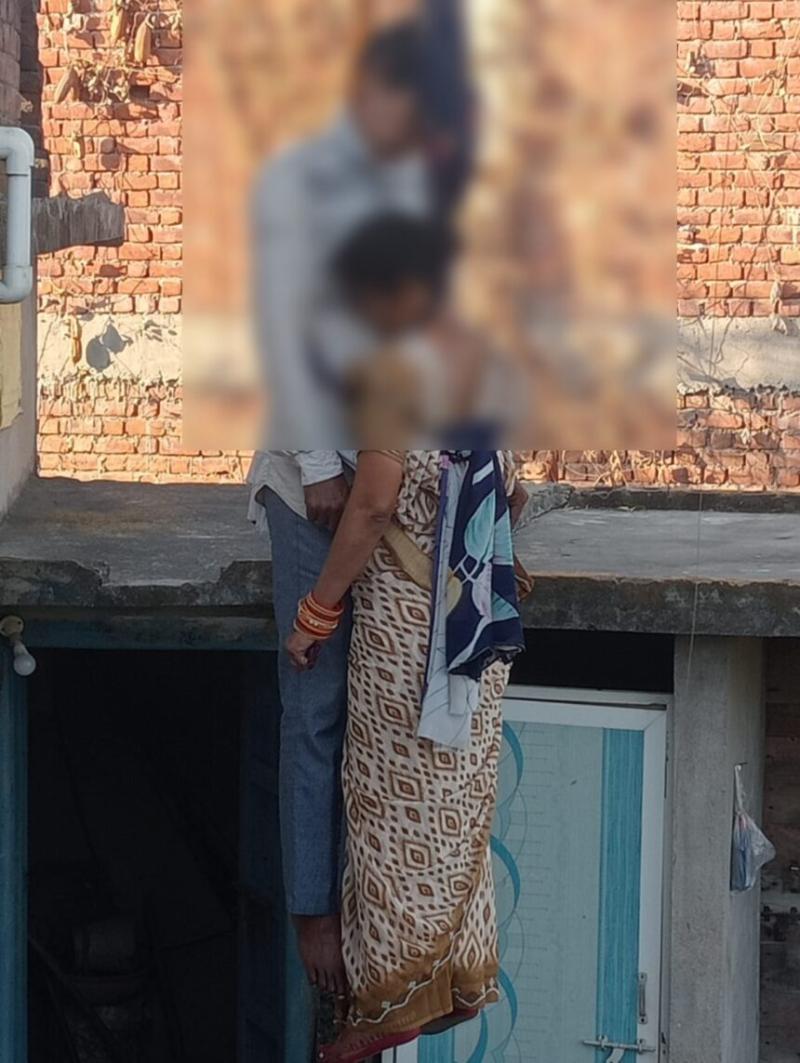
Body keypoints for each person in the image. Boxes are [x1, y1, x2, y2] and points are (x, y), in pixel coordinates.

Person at [247, 21, 431, 996]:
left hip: (378, 486)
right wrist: (320, 462)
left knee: (387, 697)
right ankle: (312, 912)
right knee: (312, 701)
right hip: (310, 484)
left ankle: (377, 906)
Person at [285, 449, 527, 1063]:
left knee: (389, 815)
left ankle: (389, 1003)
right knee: (457, 810)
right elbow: (514, 498)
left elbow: (372, 504)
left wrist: (316, 612)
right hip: (475, 623)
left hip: (406, 636)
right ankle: (460, 977)